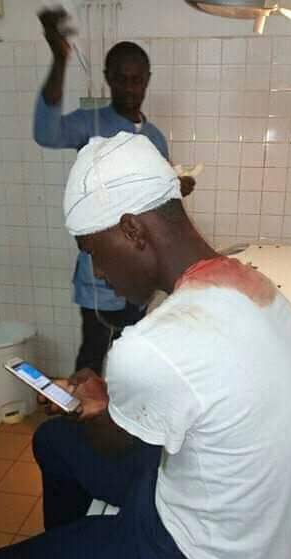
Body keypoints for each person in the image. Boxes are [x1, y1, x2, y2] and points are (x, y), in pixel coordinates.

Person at [0, 132, 291, 559]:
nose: (97, 271)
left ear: (132, 230)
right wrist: (104, 398)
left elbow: (113, 440)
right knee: (53, 441)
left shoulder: (153, 343)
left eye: (93, 251)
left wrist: (90, 407)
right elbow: (184, 396)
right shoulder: (256, 289)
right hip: (256, 531)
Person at [34, 7, 195, 375]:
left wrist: (175, 187)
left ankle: (118, 410)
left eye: (136, 80)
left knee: (132, 361)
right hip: (101, 279)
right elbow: (45, 132)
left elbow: (156, 206)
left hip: (142, 277)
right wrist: (59, 60)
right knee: (92, 358)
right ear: (108, 79)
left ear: (147, 80)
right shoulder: (90, 124)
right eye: (121, 79)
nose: (129, 88)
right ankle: (81, 409)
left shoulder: (153, 137)